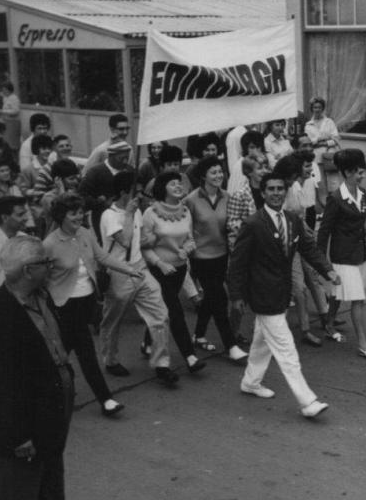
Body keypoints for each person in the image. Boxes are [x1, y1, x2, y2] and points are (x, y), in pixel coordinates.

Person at [0, 235, 74, 500]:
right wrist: (17, 436)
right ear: (28, 270)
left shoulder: (42, 296)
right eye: (45, 261)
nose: (51, 265)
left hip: (50, 426)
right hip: (20, 440)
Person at [228, 172, 340, 418]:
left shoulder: (292, 220)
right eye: (271, 189)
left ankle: (250, 381)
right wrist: (236, 296)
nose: (276, 193)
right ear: (263, 193)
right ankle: (307, 401)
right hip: (262, 294)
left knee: (261, 341)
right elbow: (237, 263)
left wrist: (328, 270)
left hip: (281, 291)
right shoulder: (253, 224)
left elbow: (308, 248)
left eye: (280, 188)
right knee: (286, 349)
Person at [44, 193, 141, 416]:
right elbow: (41, 277)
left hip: (86, 303)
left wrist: (128, 269)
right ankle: (106, 399)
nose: (79, 216)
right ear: (61, 216)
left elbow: (102, 257)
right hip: (63, 307)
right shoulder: (50, 244)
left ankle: (38, 386)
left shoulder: (85, 234)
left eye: (80, 212)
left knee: (61, 353)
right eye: (73, 213)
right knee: (84, 352)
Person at [99, 171, 178, 386]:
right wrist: (129, 214)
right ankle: (110, 359)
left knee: (160, 314)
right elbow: (124, 240)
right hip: (119, 272)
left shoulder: (136, 211)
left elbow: (140, 240)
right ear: (124, 193)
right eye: (136, 191)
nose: (140, 195)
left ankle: (162, 364)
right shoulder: (109, 215)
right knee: (113, 320)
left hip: (140, 269)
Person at [317, 148, 366, 359]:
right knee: (357, 298)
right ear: (345, 173)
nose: (362, 176)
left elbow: (365, 217)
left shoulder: (363, 194)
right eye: (358, 172)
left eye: (363, 171)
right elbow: (324, 231)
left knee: (338, 293)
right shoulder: (335, 199)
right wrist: (322, 265)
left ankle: (328, 324)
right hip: (343, 257)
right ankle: (362, 343)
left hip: (359, 254)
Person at [141, 172, 207, 373]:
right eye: (172, 184)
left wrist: (186, 250)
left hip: (179, 270)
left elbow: (190, 239)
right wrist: (160, 263)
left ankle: (146, 342)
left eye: (180, 183)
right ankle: (190, 356)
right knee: (174, 311)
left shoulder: (185, 211)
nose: (178, 186)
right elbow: (144, 246)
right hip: (158, 271)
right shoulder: (150, 213)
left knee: (162, 309)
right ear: (163, 188)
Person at [184, 155, 248, 361]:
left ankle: (199, 335)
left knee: (211, 298)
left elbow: (231, 226)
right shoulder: (191, 200)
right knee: (219, 298)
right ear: (203, 176)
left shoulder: (228, 197)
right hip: (200, 258)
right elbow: (185, 229)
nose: (218, 175)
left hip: (222, 255)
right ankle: (231, 346)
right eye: (213, 172)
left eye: (220, 171)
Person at [274, 154, 330, 348]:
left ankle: (326, 317)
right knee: (299, 287)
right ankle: (305, 329)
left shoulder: (296, 187)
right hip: (289, 243)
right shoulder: (281, 191)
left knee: (312, 278)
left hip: (301, 239)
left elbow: (300, 215)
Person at [79, 141, 133, 242]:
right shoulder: (95, 172)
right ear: (111, 156)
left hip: (126, 217)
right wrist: (99, 202)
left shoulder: (129, 171)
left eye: (127, 158)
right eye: (121, 158)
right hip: (102, 218)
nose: (125, 161)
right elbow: (82, 196)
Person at [303, 97, 340, 198]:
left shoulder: (329, 122)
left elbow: (336, 139)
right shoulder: (308, 125)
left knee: (333, 181)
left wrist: (323, 143)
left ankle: (336, 203)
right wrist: (322, 139)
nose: (317, 109)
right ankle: (324, 207)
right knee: (320, 182)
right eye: (315, 107)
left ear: (323, 108)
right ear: (312, 109)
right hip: (316, 157)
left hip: (330, 156)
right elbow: (309, 142)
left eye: (319, 107)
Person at [40, 159, 80, 234]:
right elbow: (63, 213)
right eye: (71, 179)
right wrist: (61, 191)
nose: (76, 181)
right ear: (58, 180)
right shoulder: (48, 198)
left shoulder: (74, 194)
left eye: (76, 178)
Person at [227, 130, 266, 196]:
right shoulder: (242, 164)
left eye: (258, 147)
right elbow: (237, 191)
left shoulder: (259, 161)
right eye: (252, 147)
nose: (256, 150)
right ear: (245, 148)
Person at [0, 81, 22, 153]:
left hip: (13, 122)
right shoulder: (5, 98)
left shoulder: (14, 98)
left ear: (8, 89)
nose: (3, 91)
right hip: (6, 121)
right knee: (6, 143)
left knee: (13, 145)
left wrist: (3, 111)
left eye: (4, 89)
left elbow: (16, 111)